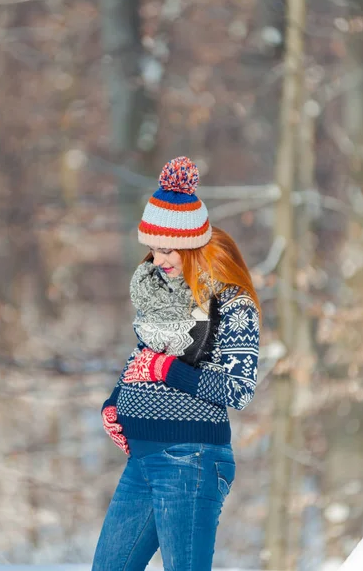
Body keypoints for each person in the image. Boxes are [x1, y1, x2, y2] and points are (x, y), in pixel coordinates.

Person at [92, 156, 261, 571]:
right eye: (152, 248)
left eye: (167, 249)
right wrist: (115, 403)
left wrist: (167, 371)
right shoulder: (160, 296)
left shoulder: (231, 303)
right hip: (143, 459)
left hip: (191, 460)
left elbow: (238, 389)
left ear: (191, 245)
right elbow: (144, 358)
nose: (158, 258)